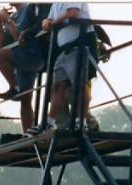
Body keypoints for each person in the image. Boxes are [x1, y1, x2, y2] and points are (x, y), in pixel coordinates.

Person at [38, 2, 98, 133]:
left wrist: (53, 24)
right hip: (64, 49)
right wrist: (46, 22)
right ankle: (48, 122)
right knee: (59, 86)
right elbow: (49, 20)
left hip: (79, 46)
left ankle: (81, 122)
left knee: (80, 85)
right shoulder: (55, 4)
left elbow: (73, 13)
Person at [0, 3, 51, 133]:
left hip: (31, 54)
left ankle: (14, 88)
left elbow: (20, 38)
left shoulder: (29, 9)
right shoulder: (15, 15)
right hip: (21, 57)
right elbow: (2, 42)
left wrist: (7, 19)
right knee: (25, 99)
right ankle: (28, 134)